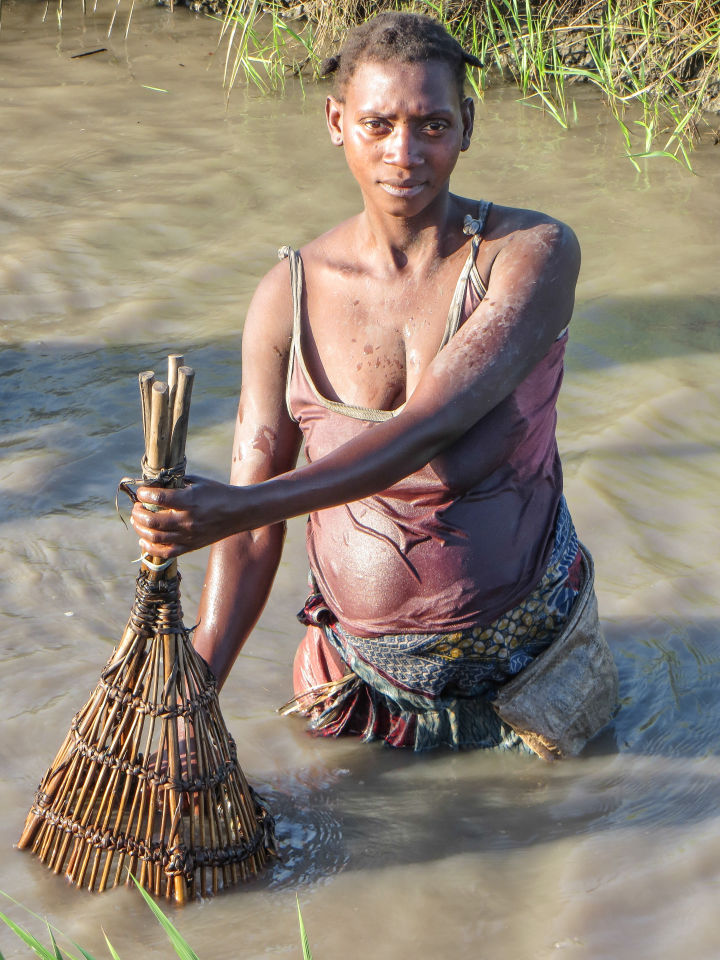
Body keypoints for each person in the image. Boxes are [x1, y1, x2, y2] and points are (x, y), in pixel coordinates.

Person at [131, 12, 608, 753]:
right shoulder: (285, 297)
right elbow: (253, 529)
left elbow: (429, 428)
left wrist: (236, 507)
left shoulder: (530, 256)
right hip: (354, 684)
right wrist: (200, 682)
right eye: (378, 123)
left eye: (432, 125)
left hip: (534, 675)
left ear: (468, 125)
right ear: (336, 120)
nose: (405, 152)